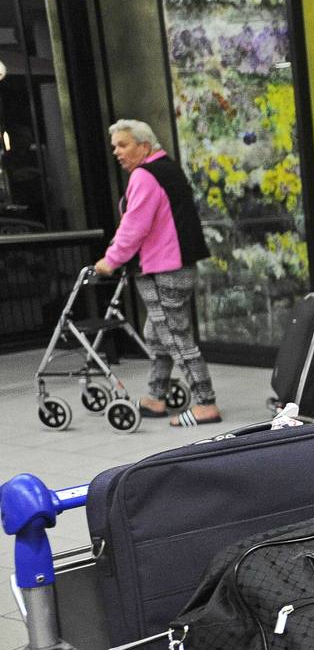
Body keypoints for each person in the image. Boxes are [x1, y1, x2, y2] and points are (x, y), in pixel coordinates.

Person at [93, 119, 220, 428]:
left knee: (175, 336)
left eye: (123, 145)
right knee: (157, 334)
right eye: (114, 147)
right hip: (176, 264)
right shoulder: (167, 169)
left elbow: (134, 226)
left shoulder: (145, 176)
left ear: (144, 146)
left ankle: (206, 404)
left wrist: (110, 260)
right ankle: (155, 396)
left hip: (162, 268)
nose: (117, 152)